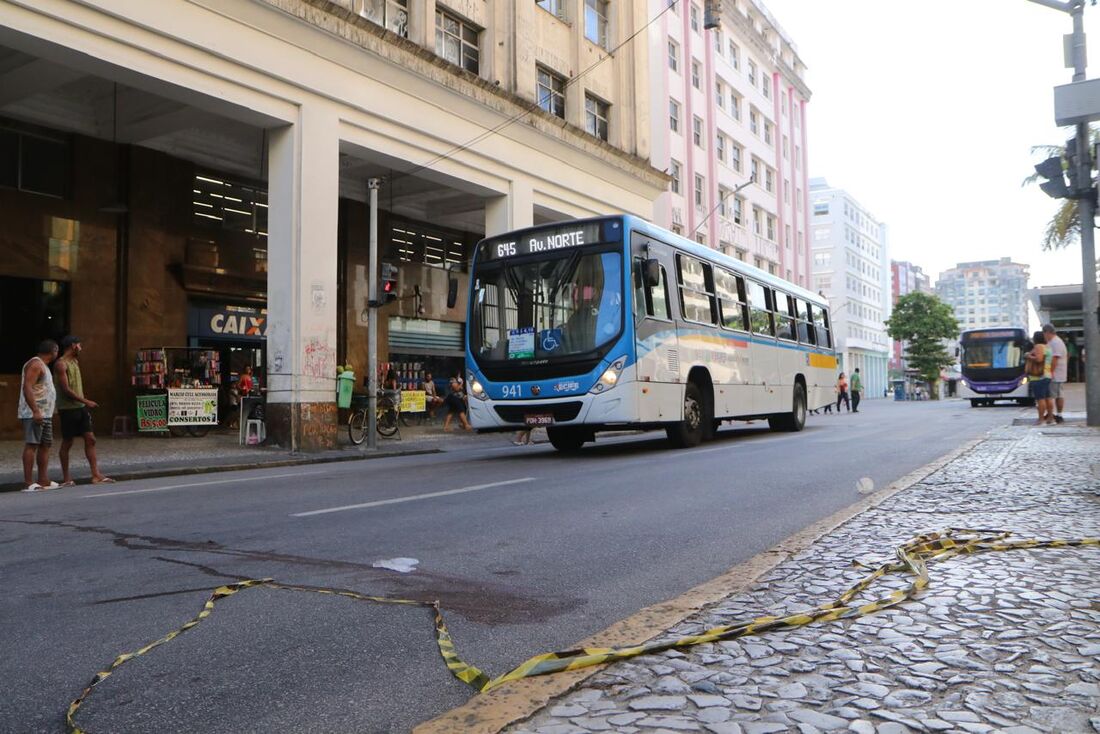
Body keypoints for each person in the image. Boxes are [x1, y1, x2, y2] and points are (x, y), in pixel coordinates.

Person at [55, 336, 114, 486]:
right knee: (67, 442)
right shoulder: (61, 364)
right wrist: (86, 401)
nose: (81, 348)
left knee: (90, 439)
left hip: (80, 408)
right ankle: (66, 478)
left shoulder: (75, 361)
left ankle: (96, 475)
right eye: (79, 345)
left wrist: (83, 403)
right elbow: (65, 389)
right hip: (68, 409)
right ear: (73, 346)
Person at [19, 340, 59, 492]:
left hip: (45, 413)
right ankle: (29, 482)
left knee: (45, 445)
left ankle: (43, 479)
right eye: (57, 351)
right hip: (34, 413)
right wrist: (35, 410)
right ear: (53, 351)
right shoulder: (35, 364)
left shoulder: (44, 365)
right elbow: (27, 387)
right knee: (32, 444)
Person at [1026, 330, 1054, 425]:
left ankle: (1041, 419)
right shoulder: (1048, 347)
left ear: (1035, 338)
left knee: (1040, 398)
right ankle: (1050, 418)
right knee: (1048, 397)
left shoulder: (1038, 346)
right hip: (1047, 375)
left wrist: (1028, 356)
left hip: (1038, 376)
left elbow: (1039, 359)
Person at [1042, 324, 1067, 424]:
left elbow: (1055, 359)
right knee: (1057, 394)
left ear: (1047, 332)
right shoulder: (1054, 342)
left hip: (1055, 374)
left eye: (1044, 333)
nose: (1044, 336)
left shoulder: (1055, 342)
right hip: (1058, 373)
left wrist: (1050, 372)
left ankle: (1054, 415)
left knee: (1051, 396)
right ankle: (1055, 414)